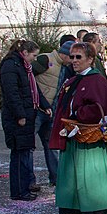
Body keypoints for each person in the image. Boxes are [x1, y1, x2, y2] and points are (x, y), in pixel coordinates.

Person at [48, 42, 107, 214]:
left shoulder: (96, 81)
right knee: (73, 180)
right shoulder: (71, 81)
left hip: (91, 141)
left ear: (90, 59)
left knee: (91, 182)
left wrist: (77, 112)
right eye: (72, 57)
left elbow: (103, 107)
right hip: (73, 139)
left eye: (78, 57)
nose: (74, 61)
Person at [0, 39, 51, 201]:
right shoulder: (11, 66)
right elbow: (12, 93)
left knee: (24, 151)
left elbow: (33, 89)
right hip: (18, 117)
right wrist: (20, 115)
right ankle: (19, 191)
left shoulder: (23, 67)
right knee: (19, 154)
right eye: (34, 55)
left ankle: (24, 188)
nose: (35, 59)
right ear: (25, 53)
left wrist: (44, 104)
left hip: (28, 113)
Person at [32, 38, 75, 187]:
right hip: (38, 110)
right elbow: (29, 78)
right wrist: (40, 102)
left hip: (52, 111)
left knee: (51, 145)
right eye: (72, 57)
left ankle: (56, 177)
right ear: (64, 55)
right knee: (30, 145)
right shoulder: (46, 59)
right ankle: (30, 181)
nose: (73, 61)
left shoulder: (65, 67)